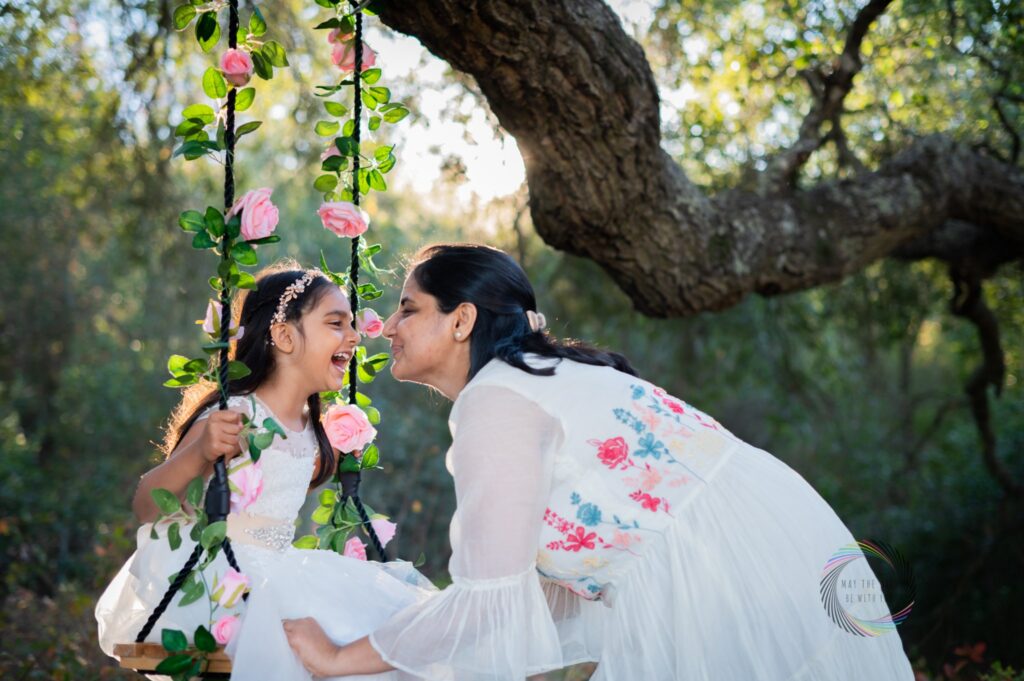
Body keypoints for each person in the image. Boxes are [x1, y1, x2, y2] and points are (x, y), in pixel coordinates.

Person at [282, 243, 916, 680]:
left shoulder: (496, 400)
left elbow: (492, 602)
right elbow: (537, 596)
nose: (387, 326)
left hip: (724, 576)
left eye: (409, 308)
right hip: (767, 545)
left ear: (461, 321)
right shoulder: (532, 381)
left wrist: (342, 658)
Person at [95, 263, 435, 681]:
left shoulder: (311, 431)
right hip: (225, 576)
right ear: (284, 335)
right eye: (335, 323)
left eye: (352, 325)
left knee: (391, 632)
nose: (353, 336)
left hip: (283, 569)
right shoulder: (236, 414)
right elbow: (147, 504)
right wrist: (199, 452)